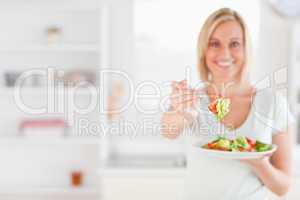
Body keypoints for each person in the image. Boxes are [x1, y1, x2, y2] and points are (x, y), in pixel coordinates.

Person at [160, 8, 294, 200]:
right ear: (204, 50)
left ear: (246, 49)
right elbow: (168, 130)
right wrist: (181, 112)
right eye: (215, 43)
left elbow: (282, 187)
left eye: (234, 44)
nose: (225, 53)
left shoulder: (273, 104)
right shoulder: (192, 100)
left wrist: (259, 163)